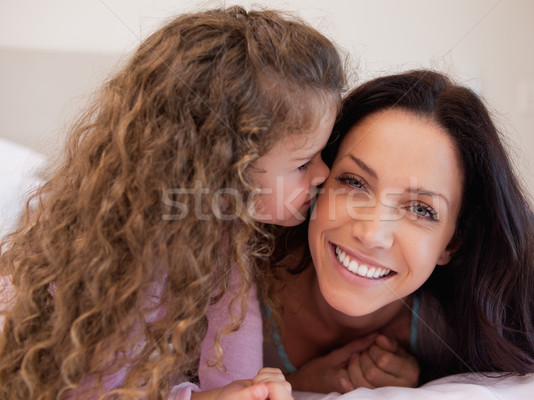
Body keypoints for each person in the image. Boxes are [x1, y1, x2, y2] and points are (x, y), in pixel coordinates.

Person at [0, 6, 345, 399]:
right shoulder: (128, 251)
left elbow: (232, 347)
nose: (324, 174)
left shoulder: (225, 231)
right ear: (224, 168)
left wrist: (251, 390)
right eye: (303, 163)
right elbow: (87, 391)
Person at [263, 70, 534, 394]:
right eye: (353, 182)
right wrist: (300, 385)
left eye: (421, 209)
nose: (372, 234)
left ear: (451, 243)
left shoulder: (460, 330)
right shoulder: (235, 281)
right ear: (318, 179)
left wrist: (420, 377)